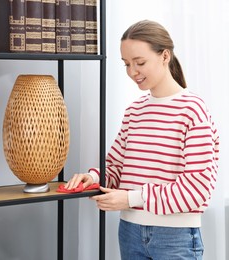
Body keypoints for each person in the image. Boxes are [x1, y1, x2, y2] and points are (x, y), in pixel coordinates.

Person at [65, 20, 220, 260]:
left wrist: (130, 198)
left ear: (164, 56)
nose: (132, 72)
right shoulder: (135, 111)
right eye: (127, 64)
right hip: (129, 231)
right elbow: (116, 167)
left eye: (140, 62)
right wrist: (93, 178)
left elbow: (197, 189)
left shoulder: (193, 110)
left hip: (175, 236)